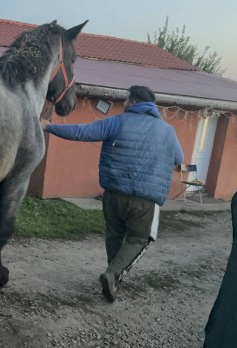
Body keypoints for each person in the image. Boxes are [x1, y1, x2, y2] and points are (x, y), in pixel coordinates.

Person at [41, 85, 183, 302]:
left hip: (113, 193)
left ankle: (112, 277)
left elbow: (82, 132)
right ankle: (112, 274)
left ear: (133, 102)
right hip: (145, 199)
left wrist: (49, 127)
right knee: (138, 238)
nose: (125, 104)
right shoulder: (167, 131)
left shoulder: (117, 122)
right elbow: (178, 158)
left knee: (115, 233)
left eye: (126, 100)